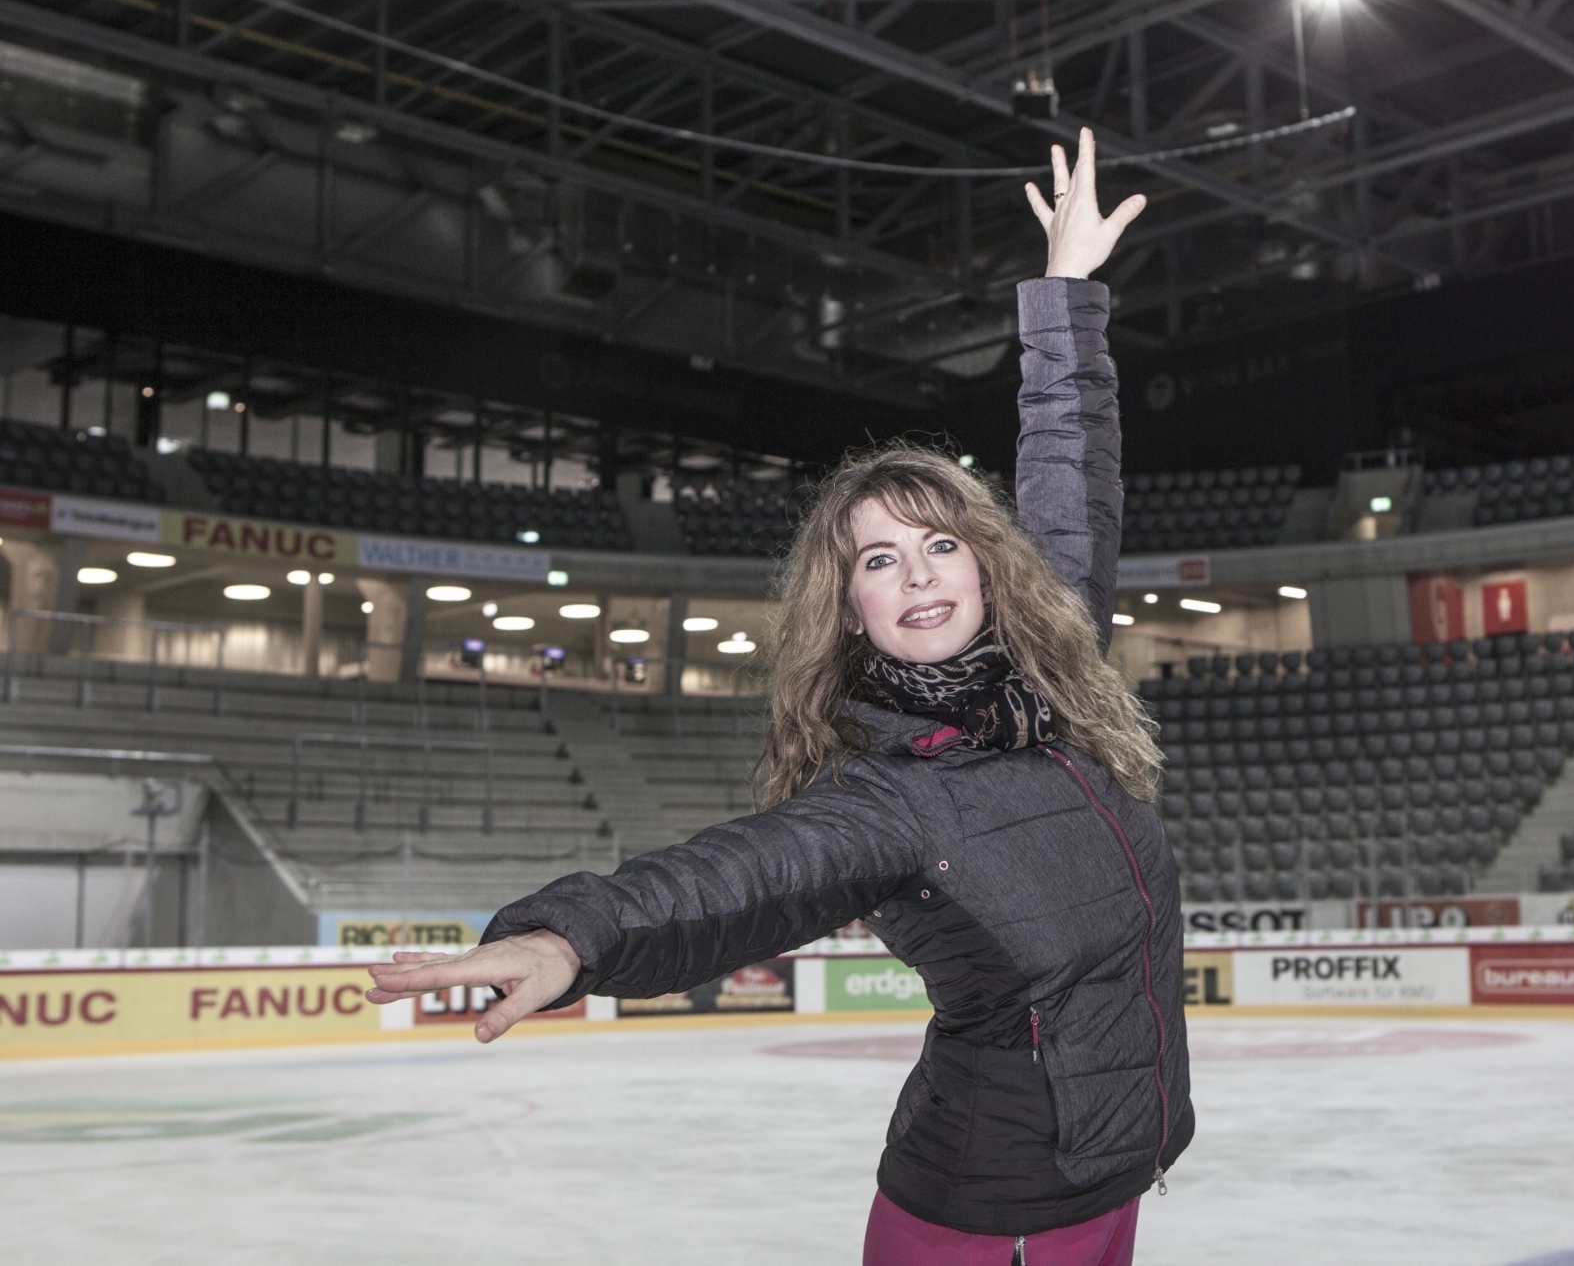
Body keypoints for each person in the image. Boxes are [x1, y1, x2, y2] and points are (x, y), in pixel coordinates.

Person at [367, 130, 1188, 1266]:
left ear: (988, 565)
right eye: (877, 560)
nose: (916, 574)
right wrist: (574, 937)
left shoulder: (1060, 677)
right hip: (978, 1209)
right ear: (849, 607)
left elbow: (1069, 473)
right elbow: (739, 876)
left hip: (1110, 1177)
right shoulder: (890, 797)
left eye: (939, 542)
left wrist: (1065, 297)